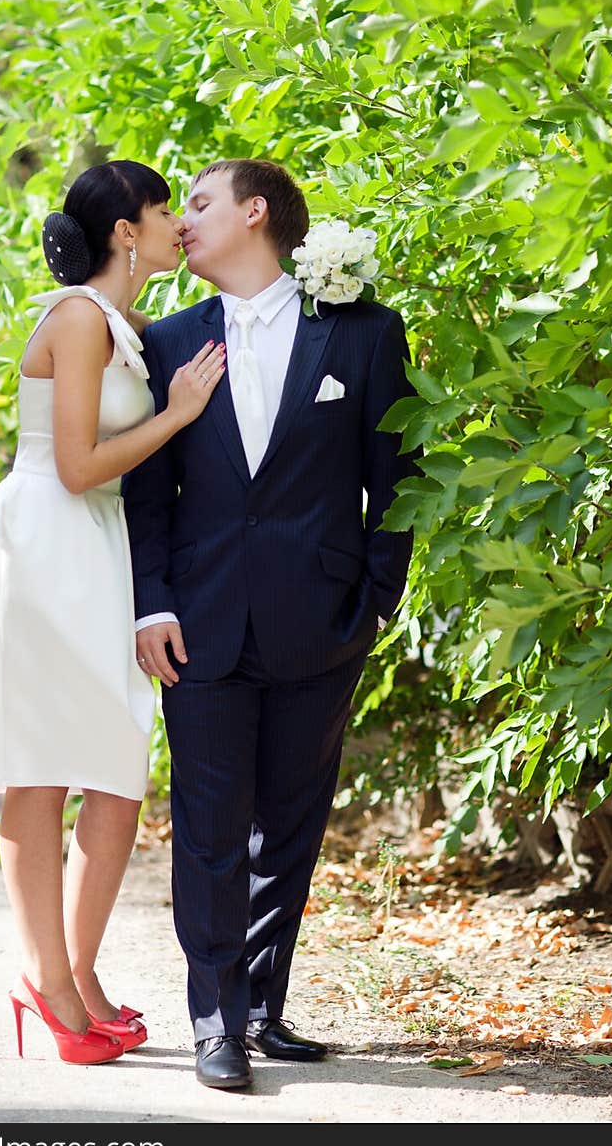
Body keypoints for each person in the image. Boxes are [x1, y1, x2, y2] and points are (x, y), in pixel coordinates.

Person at [123, 158, 415, 1089]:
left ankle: (261, 1008)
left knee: (289, 824)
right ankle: (215, 1022)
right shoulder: (164, 342)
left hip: (322, 620)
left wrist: (374, 601)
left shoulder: (365, 335)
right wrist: (153, 602)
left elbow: (396, 482)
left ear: (256, 213)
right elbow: (148, 493)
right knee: (210, 830)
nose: (185, 223)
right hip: (198, 624)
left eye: (199, 204)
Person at [0, 160, 225, 1065]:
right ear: (126, 231)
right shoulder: (76, 320)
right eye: (165, 207)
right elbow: (77, 467)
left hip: (99, 551)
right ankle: (53, 984)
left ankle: (75, 974)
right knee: (44, 766)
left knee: (115, 768)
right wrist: (176, 417)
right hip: (49, 545)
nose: (178, 221)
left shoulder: (129, 326)